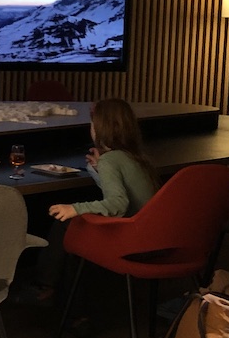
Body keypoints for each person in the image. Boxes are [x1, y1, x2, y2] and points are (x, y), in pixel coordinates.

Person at [16, 97, 160, 309]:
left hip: (132, 243)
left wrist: (75, 209)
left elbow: (117, 204)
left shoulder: (111, 160)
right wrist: (97, 170)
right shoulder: (134, 157)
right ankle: (72, 309)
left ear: (100, 128)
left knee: (67, 224)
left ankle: (44, 288)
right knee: (74, 229)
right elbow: (120, 194)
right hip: (153, 239)